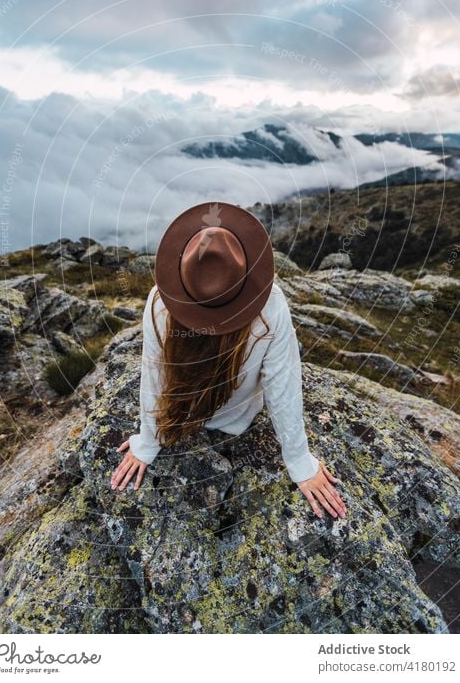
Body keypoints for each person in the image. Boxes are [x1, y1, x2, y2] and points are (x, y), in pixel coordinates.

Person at [111, 200, 346, 520]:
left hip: (182, 418)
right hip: (241, 419)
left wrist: (148, 442)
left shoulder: (158, 303)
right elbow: (282, 385)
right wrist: (299, 461)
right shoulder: (271, 305)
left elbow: (155, 375)